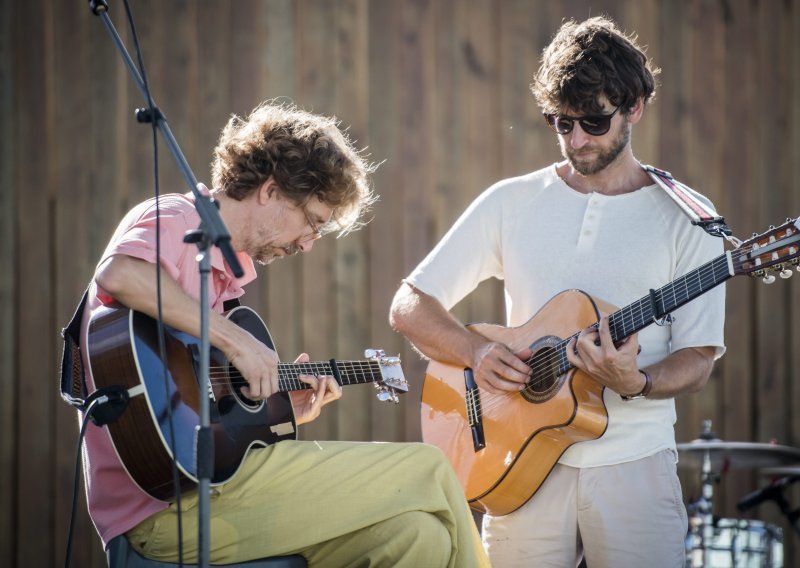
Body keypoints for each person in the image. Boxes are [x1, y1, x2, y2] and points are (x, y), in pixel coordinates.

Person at [78, 101, 490, 567]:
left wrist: (276, 411)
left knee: (419, 537)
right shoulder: (178, 220)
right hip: (165, 508)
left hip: (217, 488)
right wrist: (237, 342)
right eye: (312, 221)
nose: (308, 243)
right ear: (271, 190)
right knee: (430, 468)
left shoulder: (224, 283)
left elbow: (194, 405)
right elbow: (120, 275)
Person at [389, 17, 725, 568]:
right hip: (517, 466)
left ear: (635, 106)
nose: (576, 140)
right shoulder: (511, 201)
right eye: (560, 123)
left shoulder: (690, 219)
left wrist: (635, 382)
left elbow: (697, 359)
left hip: (636, 470)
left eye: (593, 121)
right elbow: (410, 305)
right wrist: (475, 352)